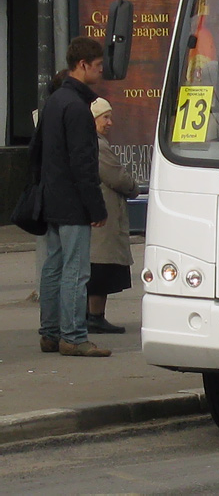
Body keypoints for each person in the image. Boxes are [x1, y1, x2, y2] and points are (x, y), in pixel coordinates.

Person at [38, 37, 111, 357]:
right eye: (97, 66)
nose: (101, 72)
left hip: (50, 197)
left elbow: (35, 152)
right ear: (82, 65)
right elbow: (83, 164)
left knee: (53, 267)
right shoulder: (79, 108)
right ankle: (74, 336)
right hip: (73, 203)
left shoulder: (53, 102)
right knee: (76, 271)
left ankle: (50, 333)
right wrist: (95, 206)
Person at [86, 98, 139, 334]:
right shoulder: (97, 146)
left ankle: (91, 316)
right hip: (103, 215)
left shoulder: (92, 143)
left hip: (99, 213)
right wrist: (134, 187)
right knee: (101, 266)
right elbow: (117, 177)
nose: (110, 122)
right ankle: (95, 316)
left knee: (98, 266)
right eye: (105, 117)